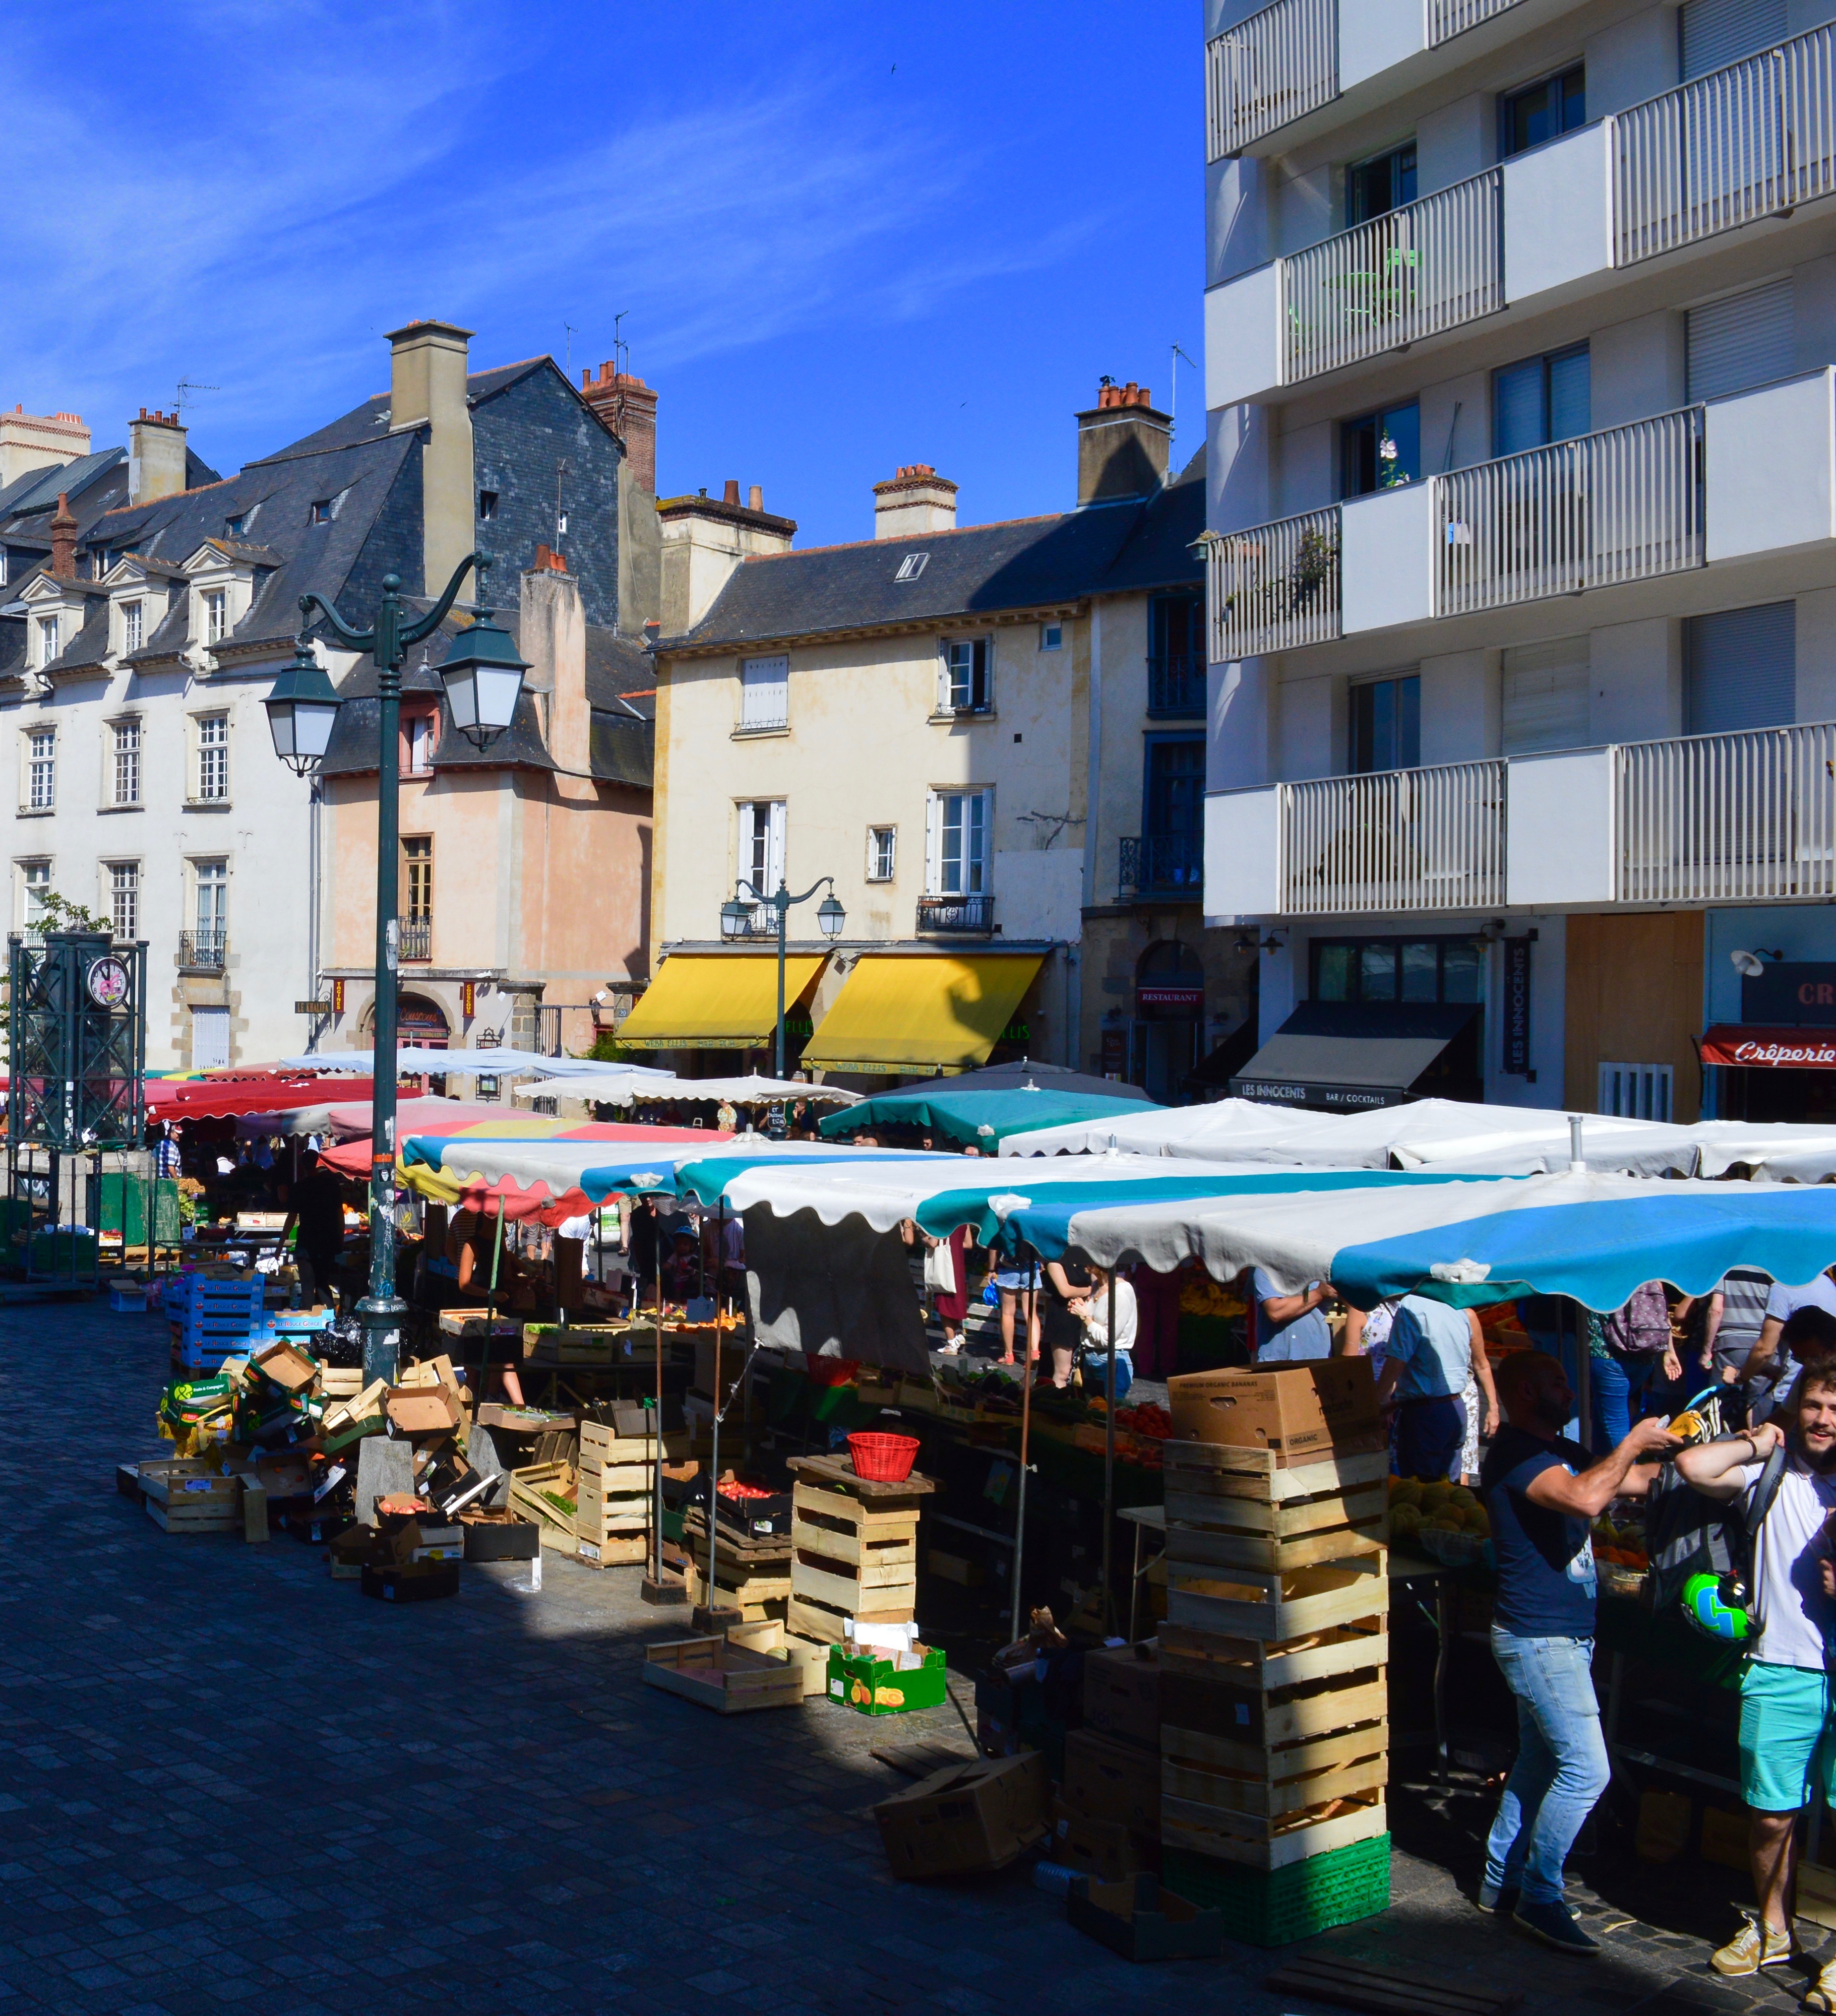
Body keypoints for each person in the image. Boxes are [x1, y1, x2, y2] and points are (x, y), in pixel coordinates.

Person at [1478, 1350, 1679, 1953]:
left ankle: (1499, 1883)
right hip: (1538, 1639)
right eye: (1557, 1382)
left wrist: (1732, 1446)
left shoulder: (1561, 1453)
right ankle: (1541, 1896)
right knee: (1587, 1769)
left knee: (1541, 1763)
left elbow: (1635, 1480)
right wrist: (1632, 1439)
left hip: (1561, 1638)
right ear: (1522, 1389)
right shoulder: (1517, 1456)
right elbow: (1590, 1499)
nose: (1570, 1391)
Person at [1678, 1363, 1836, 1993]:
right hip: (1779, 1668)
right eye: (1817, 1404)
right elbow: (1694, 1469)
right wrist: (1757, 1440)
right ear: (1798, 1407)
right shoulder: (1773, 1477)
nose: (1825, 1419)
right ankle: (1774, 1930)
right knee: (1771, 1815)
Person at [1377, 1295, 1496, 1482]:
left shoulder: (1411, 1306)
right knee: (1449, 1488)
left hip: (1426, 1414)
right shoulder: (1457, 1307)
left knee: (1423, 1489)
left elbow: (1397, 1360)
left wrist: (1375, 1401)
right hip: (1455, 1409)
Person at [1585, 1282, 1679, 1447]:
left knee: (1616, 1428)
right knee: (1603, 1419)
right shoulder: (1647, 1265)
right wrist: (1669, 1350)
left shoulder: (1602, 1265)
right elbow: (1661, 1310)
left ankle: (1630, 1472)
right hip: (1645, 1356)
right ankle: (1596, 1466)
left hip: (1609, 1357)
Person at [1740, 1269, 1836, 1390]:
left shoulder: (1783, 1288)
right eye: (1799, 1359)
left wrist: (1741, 1377)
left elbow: (1765, 1349)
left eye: (1812, 1359)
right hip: (1809, 1384)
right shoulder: (1827, 1283)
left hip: (1792, 1386)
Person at [278, 1151, 348, 1310]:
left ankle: (307, 1326)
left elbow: (291, 1219)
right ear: (318, 1163)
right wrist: (340, 1240)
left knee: (307, 1288)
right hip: (327, 1242)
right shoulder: (331, 1186)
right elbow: (340, 1215)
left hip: (306, 1243)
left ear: (302, 1166)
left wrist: (280, 1244)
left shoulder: (299, 1188)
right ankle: (332, 1323)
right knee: (323, 1283)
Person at [1071, 1266, 1137, 1401]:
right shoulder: (1097, 1286)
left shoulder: (1121, 1293)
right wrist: (1081, 1307)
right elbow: (1095, 1319)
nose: (1084, 1262)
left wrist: (1085, 1317)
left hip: (1111, 1361)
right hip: (1090, 1356)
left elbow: (1108, 1338)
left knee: (1107, 1412)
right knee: (1090, 1409)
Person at [1707, 1267, 1775, 1384]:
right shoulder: (1773, 1270)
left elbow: (1716, 1311)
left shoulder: (1726, 1267)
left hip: (1730, 1345)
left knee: (1723, 1399)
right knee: (1757, 1400)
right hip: (1764, 1343)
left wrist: (1706, 1352)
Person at [1252, 1268, 1334, 1363]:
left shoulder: (1324, 1268)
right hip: (1277, 1361)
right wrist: (1319, 1293)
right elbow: (1276, 1312)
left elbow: (1352, 1306)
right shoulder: (1267, 1269)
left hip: (1317, 1358)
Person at [1042, 1256, 1095, 1389]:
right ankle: (1057, 1402)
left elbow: (1098, 1283)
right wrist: (1090, 1290)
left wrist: (1090, 1290)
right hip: (1063, 1317)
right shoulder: (1055, 1261)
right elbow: (1065, 1291)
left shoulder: (1087, 1259)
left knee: (1082, 1371)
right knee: (1063, 1372)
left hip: (1084, 1314)